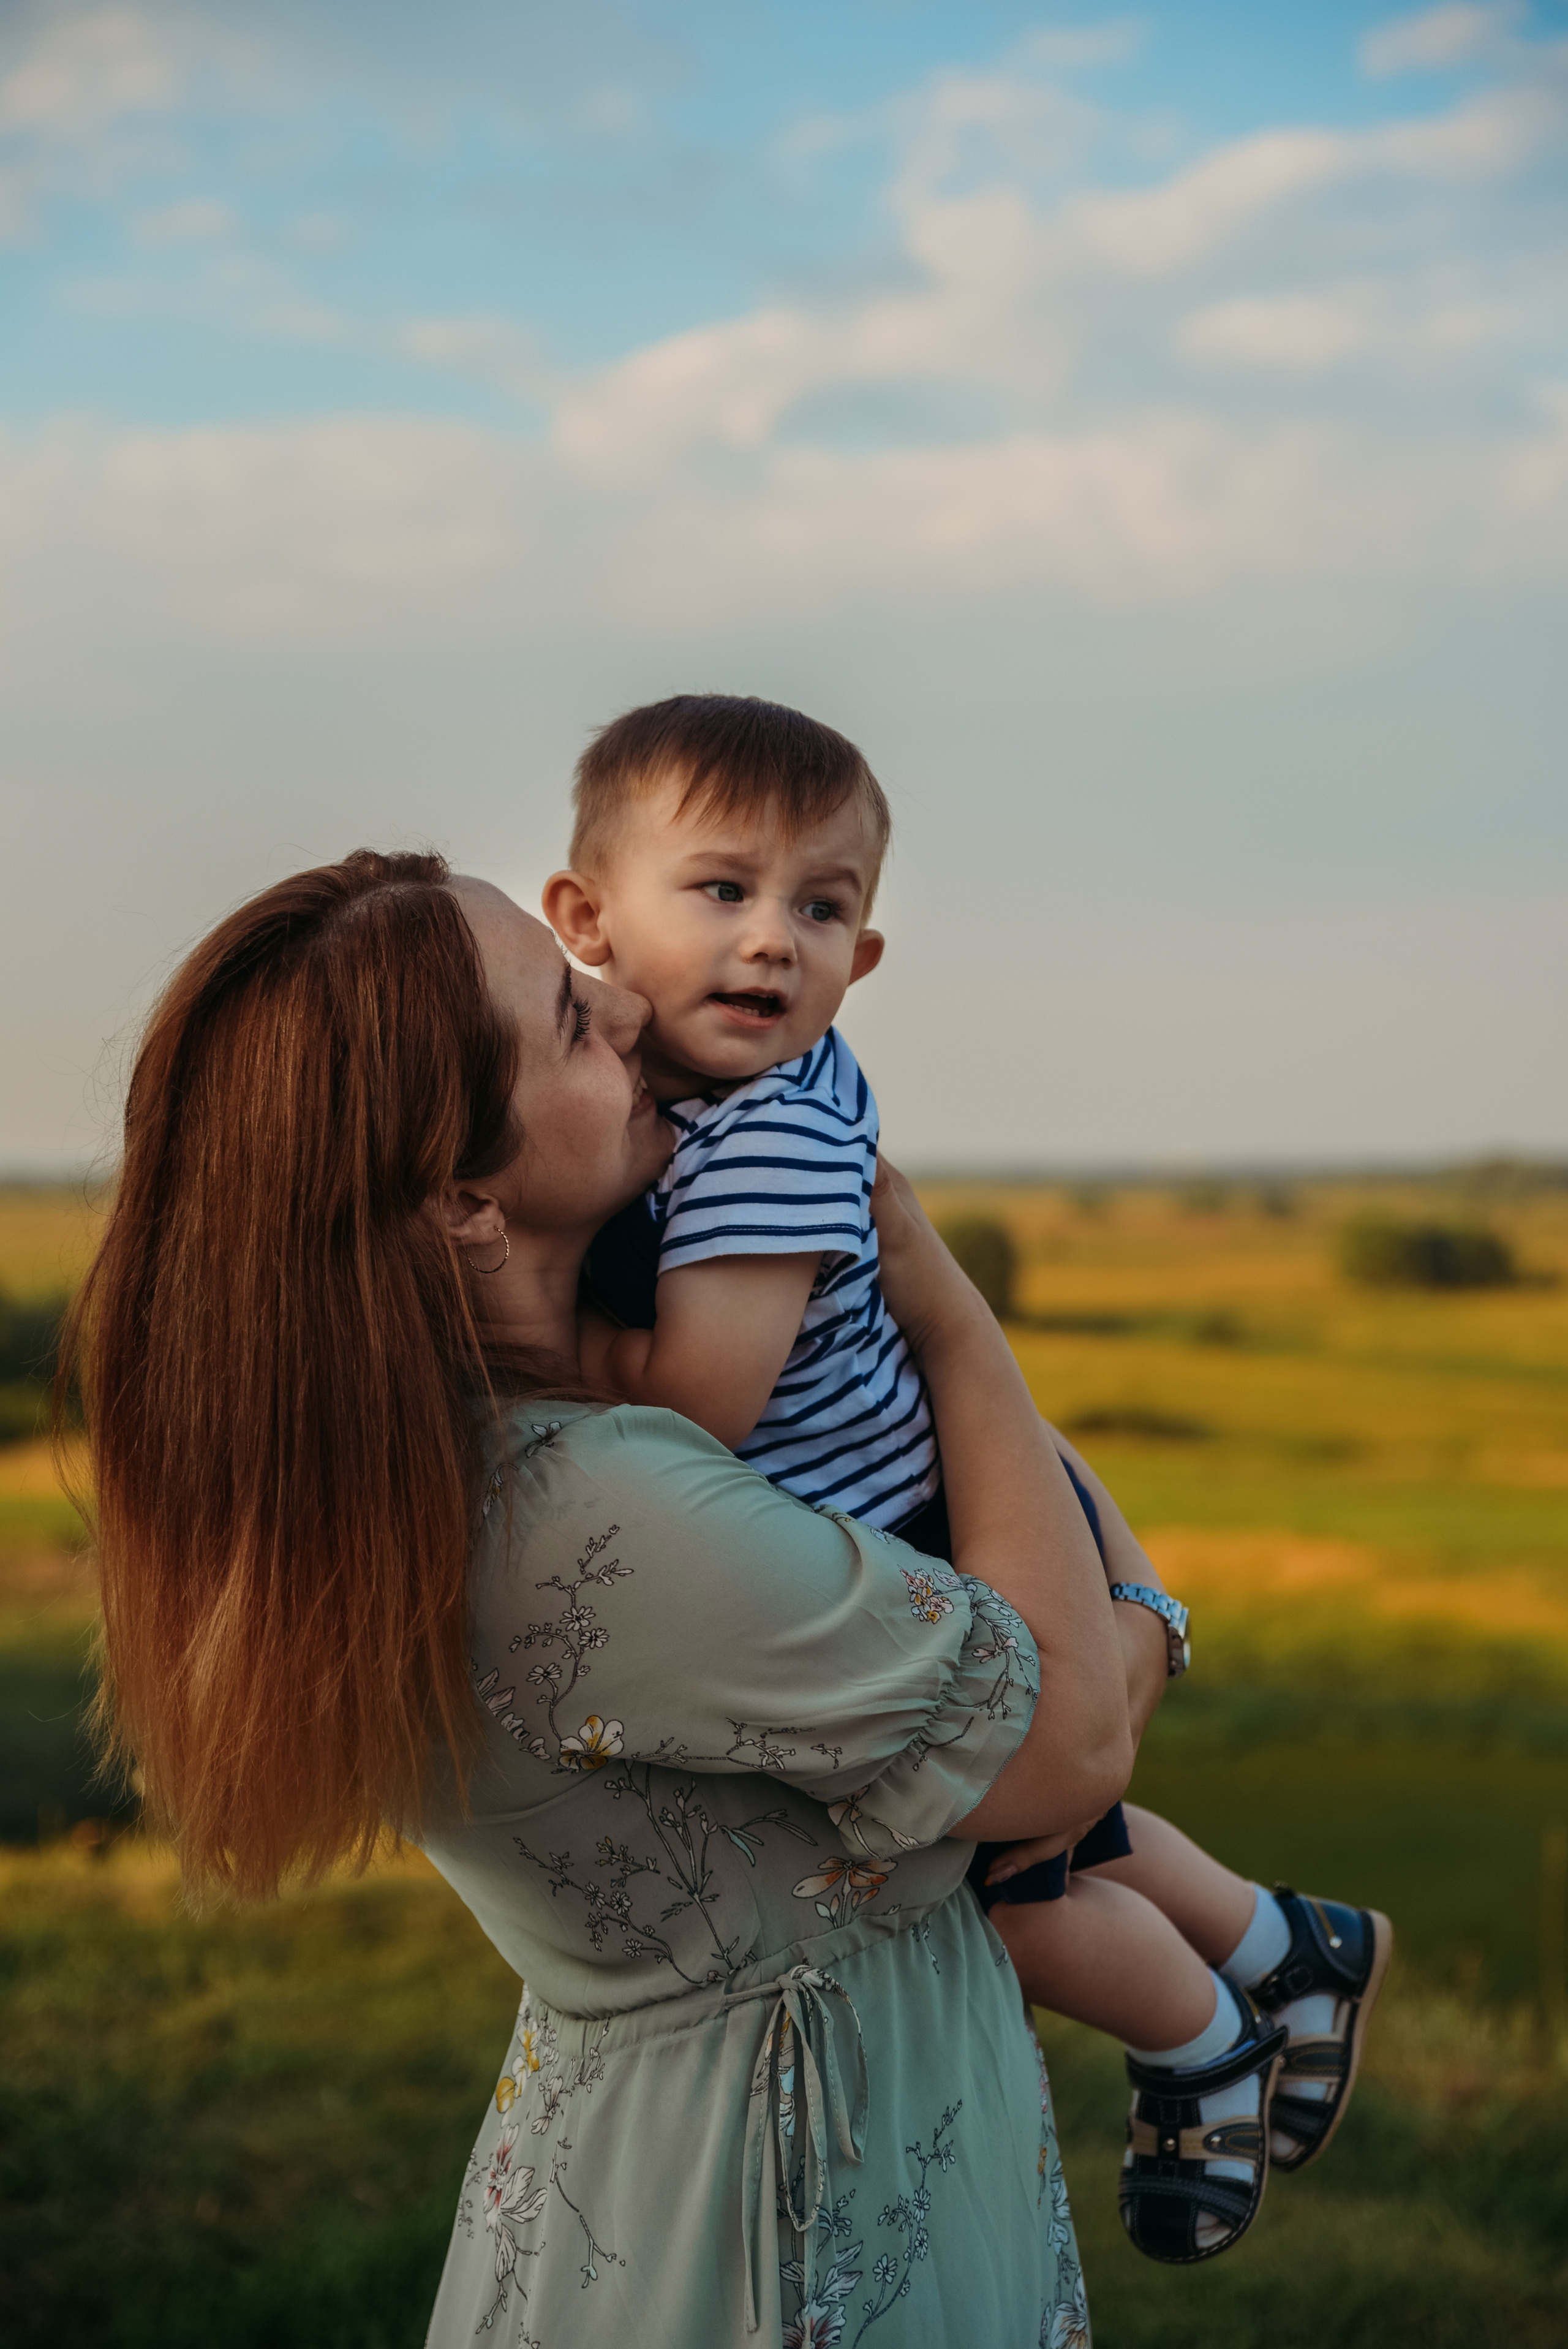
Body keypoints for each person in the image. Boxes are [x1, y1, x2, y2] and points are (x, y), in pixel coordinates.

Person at [63, 847, 1141, 2346]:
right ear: (461, 1201)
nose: (628, 1007)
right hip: (774, 2227)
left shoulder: (412, 1470)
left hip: (668, 2167)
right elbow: (1073, 1743)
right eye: (567, 1023)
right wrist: (953, 1326)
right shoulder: (595, 1510)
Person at [543, 694, 1393, 2264]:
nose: (771, 944)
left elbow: (700, 1413)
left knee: (996, 1877)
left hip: (933, 1526)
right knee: (1057, 1834)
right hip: (927, 1491)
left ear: (861, 961)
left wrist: (539, 1346)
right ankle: (1290, 1942)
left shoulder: (761, 1137)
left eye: (820, 909)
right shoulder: (713, 1101)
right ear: (586, 920)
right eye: (721, 891)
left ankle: (1197, 2037)